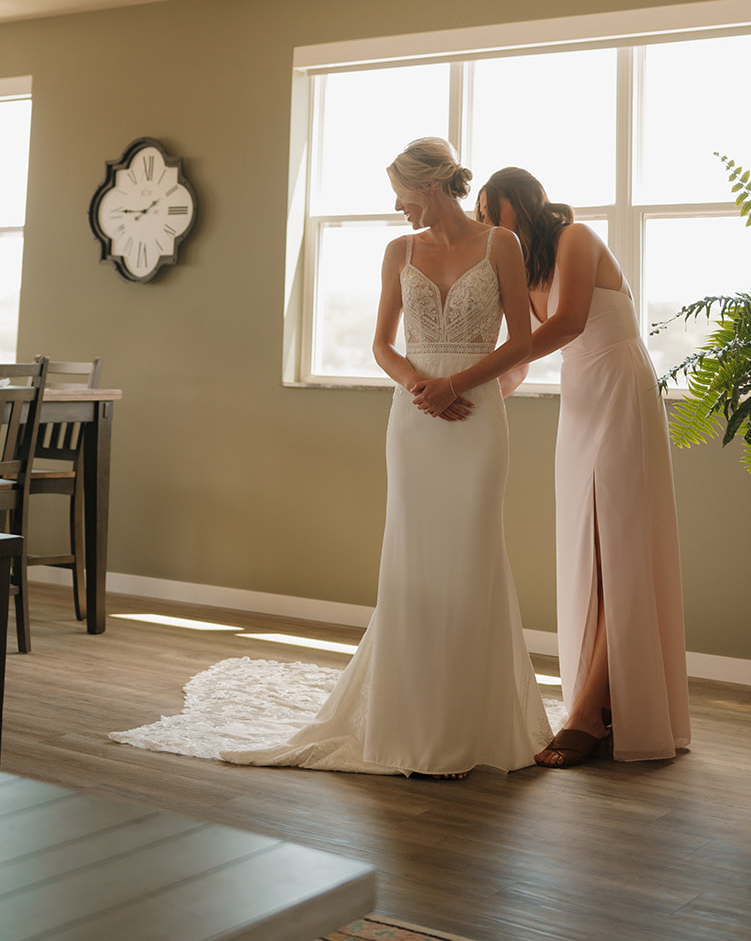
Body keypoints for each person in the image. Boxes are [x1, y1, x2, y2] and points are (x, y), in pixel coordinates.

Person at [219, 139, 552, 777]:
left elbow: (525, 342)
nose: (395, 207)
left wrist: (457, 383)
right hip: (415, 419)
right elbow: (380, 343)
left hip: (477, 417)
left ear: (427, 186)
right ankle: (412, 725)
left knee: (470, 559)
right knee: (414, 559)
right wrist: (419, 385)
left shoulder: (500, 246)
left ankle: (466, 727)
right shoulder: (398, 252)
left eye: (399, 193)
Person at [477, 167, 690, 767]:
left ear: (522, 203)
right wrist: (475, 402)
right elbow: (517, 359)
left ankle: (588, 710)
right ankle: (603, 699)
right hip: (580, 398)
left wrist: (477, 374)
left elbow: (569, 323)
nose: (490, 226)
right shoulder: (518, 265)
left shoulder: (574, 238)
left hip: (620, 387)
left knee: (616, 544)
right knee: (588, 549)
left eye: (494, 212)